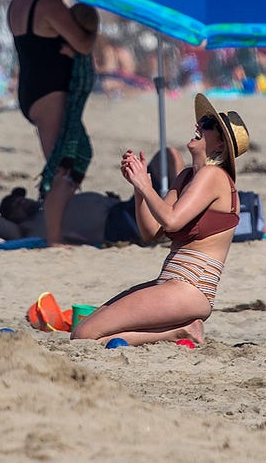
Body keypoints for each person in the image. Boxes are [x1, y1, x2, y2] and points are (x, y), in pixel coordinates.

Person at [71, 95, 249, 347]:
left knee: (84, 335)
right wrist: (138, 187)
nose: (199, 124)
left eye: (208, 123)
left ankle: (180, 331)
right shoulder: (187, 176)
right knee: (85, 330)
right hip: (171, 282)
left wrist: (147, 186)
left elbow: (173, 221)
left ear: (220, 145)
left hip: (191, 285)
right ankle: (183, 329)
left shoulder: (214, 176)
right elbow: (150, 232)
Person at [7, 0, 96, 245]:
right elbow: (82, 43)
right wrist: (93, 28)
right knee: (64, 167)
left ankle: (61, 225)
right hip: (50, 94)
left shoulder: (18, 2)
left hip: (31, 91)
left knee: (67, 158)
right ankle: (54, 238)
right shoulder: (47, 4)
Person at [0, 148, 185, 246]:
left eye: (20, 198)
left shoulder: (51, 204)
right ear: (12, 219)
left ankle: (178, 215)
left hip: (122, 208)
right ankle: (177, 223)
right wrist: (10, 222)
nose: (22, 201)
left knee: (168, 155)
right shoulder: (28, 229)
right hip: (118, 225)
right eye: (16, 206)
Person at [40, 2, 98, 206]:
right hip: (82, 87)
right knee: (73, 133)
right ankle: (66, 183)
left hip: (75, 88)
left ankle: (52, 185)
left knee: (70, 132)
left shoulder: (75, 46)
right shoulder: (86, 46)